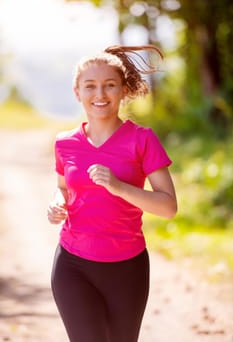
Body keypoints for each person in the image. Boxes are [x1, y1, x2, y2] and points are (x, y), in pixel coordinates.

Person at [47, 45, 177, 342]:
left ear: (123, 90)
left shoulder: (142, 140)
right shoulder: (65, 143)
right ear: (77, 91)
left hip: (126, 267)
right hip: (72, 263)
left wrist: (118, 186)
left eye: (110, 85)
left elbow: (168, 207)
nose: (100, 94)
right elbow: (63, 186)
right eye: (90, 86)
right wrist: (57, 202)